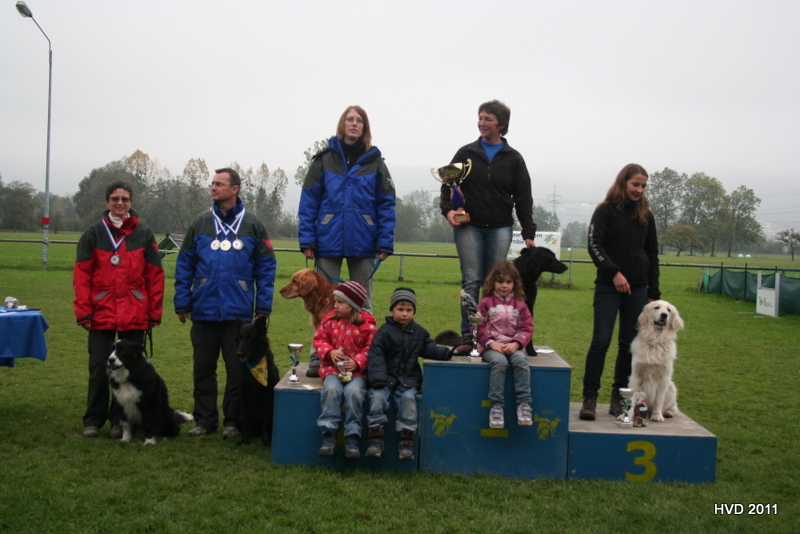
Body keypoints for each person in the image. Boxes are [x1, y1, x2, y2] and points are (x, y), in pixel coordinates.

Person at [174, 167, 277, 439]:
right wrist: (182, 301)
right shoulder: (200, 223)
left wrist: (263, 307)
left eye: (219, 184)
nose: (213, 188)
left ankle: (233, 421)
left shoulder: (253, 224)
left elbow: (266, 268)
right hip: (203, 310)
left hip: (238, 315)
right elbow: (184, 264)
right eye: (213, 183)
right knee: (203, 369)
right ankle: (205, 420)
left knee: (236, 371)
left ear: (235, 189)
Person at [298, 105, 396, 377]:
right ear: (342, 124)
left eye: (359, 121)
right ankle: (319, 357)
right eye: (350, 119)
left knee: (363, 304)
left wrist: (385, 241)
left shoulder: (376, 161)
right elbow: (309, 201)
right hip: (326, 240)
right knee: (325, 304)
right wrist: (307, 239)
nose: (354, 124)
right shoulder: (323, 159)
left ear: (365, 127)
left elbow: (387, 203)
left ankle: (367, 359)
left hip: (364, 240)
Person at [440, 100, 536, 355]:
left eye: (488, 119)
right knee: (471, 281)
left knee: (494, 283)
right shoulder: (465, 153)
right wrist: (448, 210)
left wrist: (528, 232)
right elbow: (447, 185)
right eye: (480, 118)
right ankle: (468, 336)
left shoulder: (514, 158)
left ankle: (491, 335)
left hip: (500, 228)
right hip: (468, 226)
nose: (482, 123)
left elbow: (523, 198)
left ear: (501, 125)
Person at [73, 180, 164, 438]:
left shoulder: (144, 233)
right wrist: (83, 311)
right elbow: (81, 276)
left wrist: (154, 313)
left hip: (134, 312)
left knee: (128, 371)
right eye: (115, 199)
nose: (120, 203)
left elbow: (155, 276)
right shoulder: (93, 233)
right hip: (100, 311)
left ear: (131, 202)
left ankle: (119, 421)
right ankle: (93, 420)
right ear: (107, 202)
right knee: (98, 368)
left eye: (124, 199)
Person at [579, 163, 660, 421]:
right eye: (635, 184)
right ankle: (589, 398)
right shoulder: (605, 211)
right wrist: (614, 272)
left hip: (638, 289)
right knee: (601, 341)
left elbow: (652, 254)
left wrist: (653, 292)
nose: (639, 190)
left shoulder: (646, 215)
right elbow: (594, 245)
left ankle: (620, 398)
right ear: (623, 182)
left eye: (644, 186)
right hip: (608, 286)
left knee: (628, 344)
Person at [366, 287, 453, 460]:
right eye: (400, 309)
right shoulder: (384, 332)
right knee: (377, 398)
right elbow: (376, 355)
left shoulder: (419, 332)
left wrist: (447, 352)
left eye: (409, 310)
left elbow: (429, 348)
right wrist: (378, 378)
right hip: (385, 378)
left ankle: (407, 439)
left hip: (408, 379)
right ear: (392, 310)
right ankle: (375, 437)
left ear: (414, 312)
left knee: (408, 400)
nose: (404, 314)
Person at [314, 281, 377, 459]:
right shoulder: (329, 320)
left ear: (353, 304)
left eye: (340, 302)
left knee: (354, 392)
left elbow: (372, 348)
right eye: (335, 301)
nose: (335, 306)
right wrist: (329, 352)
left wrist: (358, 362)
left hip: (357, 373)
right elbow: (319, 339)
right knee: (331, 389)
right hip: (332, 370)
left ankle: (352, 436)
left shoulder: (368, 325)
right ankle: (329, 433)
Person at [476, 261, 534, 429]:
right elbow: (477, 326)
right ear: (492, 282)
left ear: (515, 283)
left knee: (521, 361)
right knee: (500, 363)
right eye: (500, 281)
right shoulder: (485, 303)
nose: (504, 286)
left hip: (513, 346)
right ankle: (496, 406)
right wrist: (491, 343)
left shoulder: (521, 305)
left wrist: (516, 344)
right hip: (491, 347)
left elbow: (527, 327)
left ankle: (524, 404)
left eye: (508, 282)